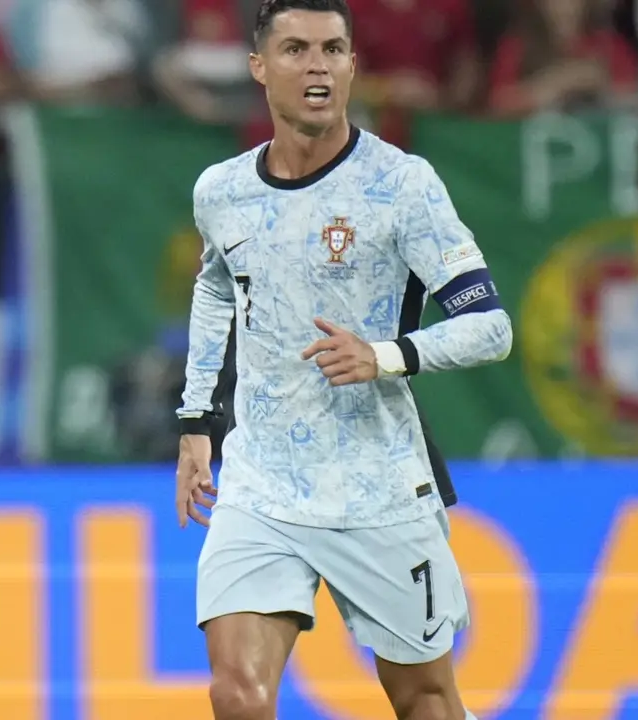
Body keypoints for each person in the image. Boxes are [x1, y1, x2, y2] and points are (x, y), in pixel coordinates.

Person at [173, 1, 512, 719]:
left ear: (355, 64)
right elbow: (214, 286)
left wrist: (387, 355)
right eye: (295, 49)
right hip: (262, 483)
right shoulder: (221, 192)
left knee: (424, 697)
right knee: (237, 694)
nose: (318, 65)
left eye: (333, 49)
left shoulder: (403, 186)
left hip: (376, 485)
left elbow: (490, 327)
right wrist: (198, 420)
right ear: (259, 67)